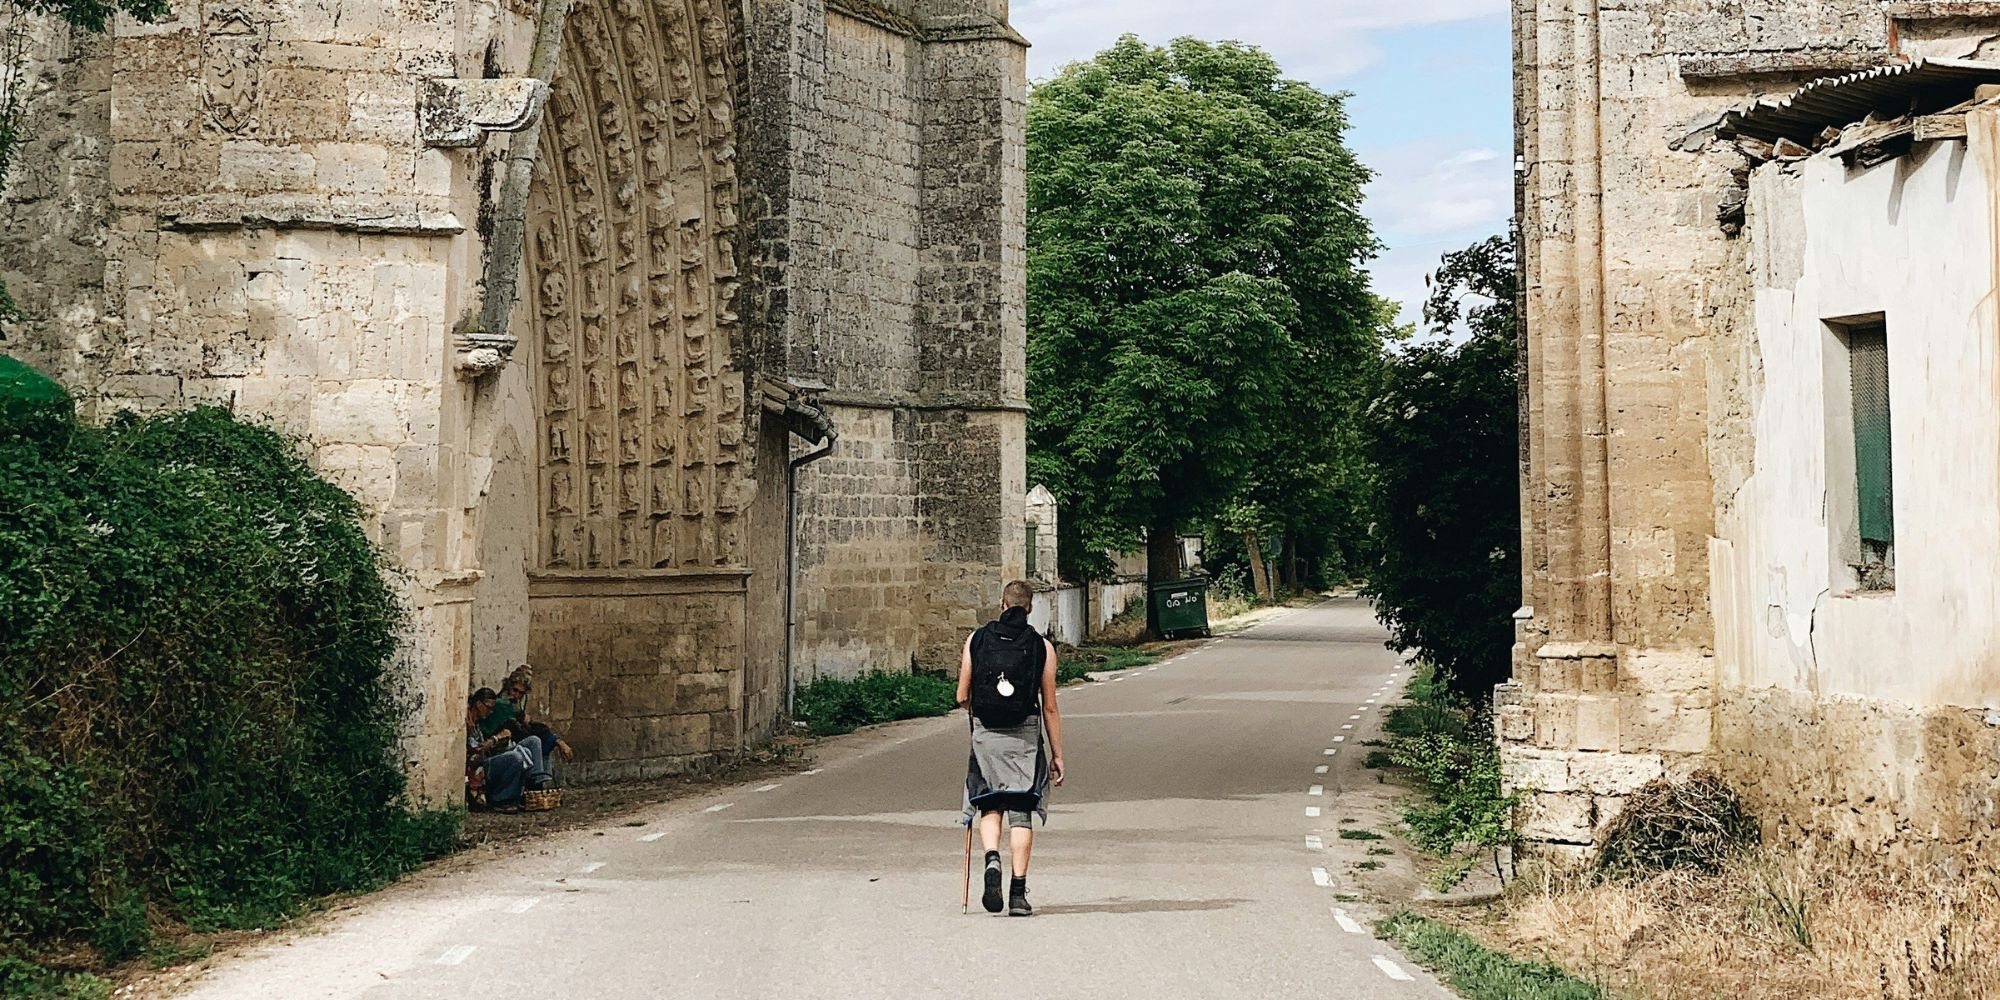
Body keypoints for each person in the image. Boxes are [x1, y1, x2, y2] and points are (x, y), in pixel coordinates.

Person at [957, 580, 1065, 916]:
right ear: (1030, 607)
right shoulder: (1042, 647)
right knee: (1021, 810)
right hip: (1025, 737)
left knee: (989, 802)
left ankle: (992, 859)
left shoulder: (976, 640)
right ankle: (1018, 894)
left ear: (1002, 603)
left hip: (986, 734)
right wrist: (1058, 754)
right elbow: (1049, 706)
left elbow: (961, 695)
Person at [466, 687, 553, 810]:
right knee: (516, 757)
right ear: (479, 704)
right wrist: (493, 741)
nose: (490, 712)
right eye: (488, 707)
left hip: (491, 753)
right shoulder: (469, 722)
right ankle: (501, 799)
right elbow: (474, 750)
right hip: (480, 764)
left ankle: (535, 787)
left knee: (531, 744)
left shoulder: (481, 721)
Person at [482, 665, 575, 763]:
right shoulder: (499, 704)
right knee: (534, 741)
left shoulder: (516, 708)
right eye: (514, 690)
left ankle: (543, 777)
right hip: (496, 750)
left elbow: (534, 727)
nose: (516, 695)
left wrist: (557, 741)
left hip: (511, 745)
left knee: (544, 741)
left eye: (521, 693)